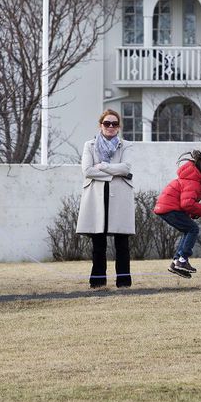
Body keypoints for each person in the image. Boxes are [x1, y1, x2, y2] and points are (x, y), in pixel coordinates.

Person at [76, 109, 135, 289]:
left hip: (120, 197)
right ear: (100, 125)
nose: (110, 127)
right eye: (107, 123)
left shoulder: (126, 145)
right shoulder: (89, 145)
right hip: (96, 197)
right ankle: (98, 281)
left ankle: (124, 282)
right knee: (98, 243)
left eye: (114, 124)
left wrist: (102, 166)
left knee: (122, 244)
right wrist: (112, 172)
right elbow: (87, 171)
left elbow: (126, 168)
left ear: (118, 127)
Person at [154, 150, 201, 278]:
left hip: (166, 207)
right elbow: (186, 204)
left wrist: (192, 212)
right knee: (193, 229)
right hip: (169, 208)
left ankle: (176, 262)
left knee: (188, 229)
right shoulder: (193, 182)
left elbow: (185, 203)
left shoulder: (192, 179)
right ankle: (182, 260)